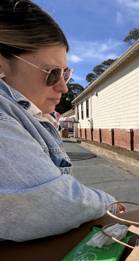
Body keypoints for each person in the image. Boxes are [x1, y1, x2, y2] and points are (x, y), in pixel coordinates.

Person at [0, 0, 125, 241]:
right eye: (52, 73)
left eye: (65, 73)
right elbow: (51, 203)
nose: (64, 86)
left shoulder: (33, 116)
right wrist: (108, 203)